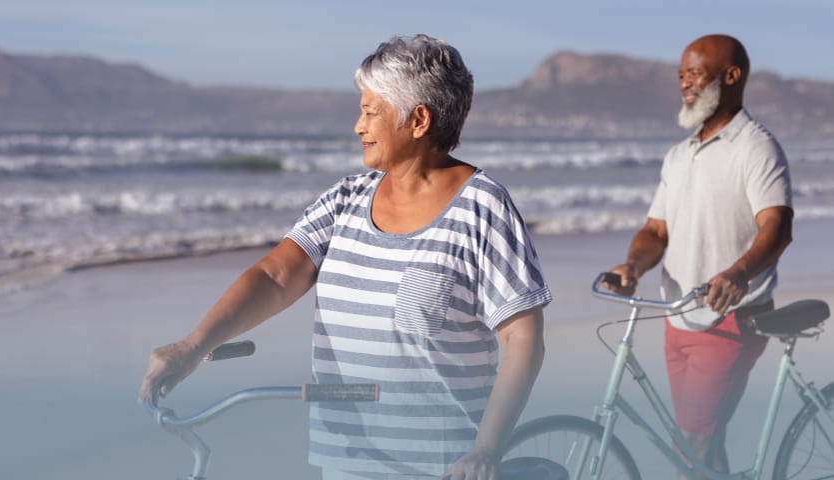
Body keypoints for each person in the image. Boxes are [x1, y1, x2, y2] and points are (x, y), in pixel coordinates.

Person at [138, 34, 553, 480]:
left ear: (418, 120)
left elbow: (522, 338)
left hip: (444, 463)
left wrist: (486, 449)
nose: (359, 126)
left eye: (371, 112)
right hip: (345, 459)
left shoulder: (483, 208)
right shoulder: (345, 200)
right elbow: (276, 276)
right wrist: (191, 346)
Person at [605, 34, 793, 479]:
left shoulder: (755, 147)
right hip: (678, 316)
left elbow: (778, 227)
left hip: (730, 317)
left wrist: (738, 272)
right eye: (681, 75)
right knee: (704, 443)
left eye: (695, 72)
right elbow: (655, 231)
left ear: (731, 76)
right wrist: (633, 265)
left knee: (690, 444)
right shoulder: (679, 155)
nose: (685, 83)